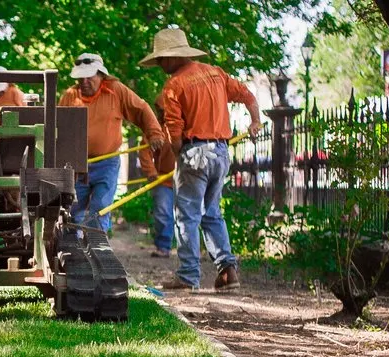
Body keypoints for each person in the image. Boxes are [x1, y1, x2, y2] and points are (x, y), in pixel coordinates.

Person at [140, 28, 261, 291]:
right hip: (220, 153)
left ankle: (187, 276)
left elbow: (174, 133)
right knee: (212, 214)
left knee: (186, 217)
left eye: (161, 58)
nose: (160, 64)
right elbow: (247, 95)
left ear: (173, 56)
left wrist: (176, 155)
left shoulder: (174, 85)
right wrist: (255, 121)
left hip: (195, 154)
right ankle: (228, 272)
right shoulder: (216, 74)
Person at [58, 53, 164, 232]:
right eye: (80, 77)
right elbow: (57, 126)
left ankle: (96, 245)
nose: (84, 81)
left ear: (101, 75)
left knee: (100, 206)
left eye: (89, 76)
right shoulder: (70, 95)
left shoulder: (116, 90)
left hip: (107, 162)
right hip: (76, 165)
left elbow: (141, 109)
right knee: (73, 210)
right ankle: (72, 249)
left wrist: (154, 133)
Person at [138, 94, 176, 257]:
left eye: (163, 110)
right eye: (159, 110)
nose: (161, 113)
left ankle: (189, 250)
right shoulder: (154, 129)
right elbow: (144, 151)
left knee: (189, 215)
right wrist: (151, 172)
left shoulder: (185, 125)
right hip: (163, 179)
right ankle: (164, 247)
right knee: (163, 213)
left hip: (187, 179)